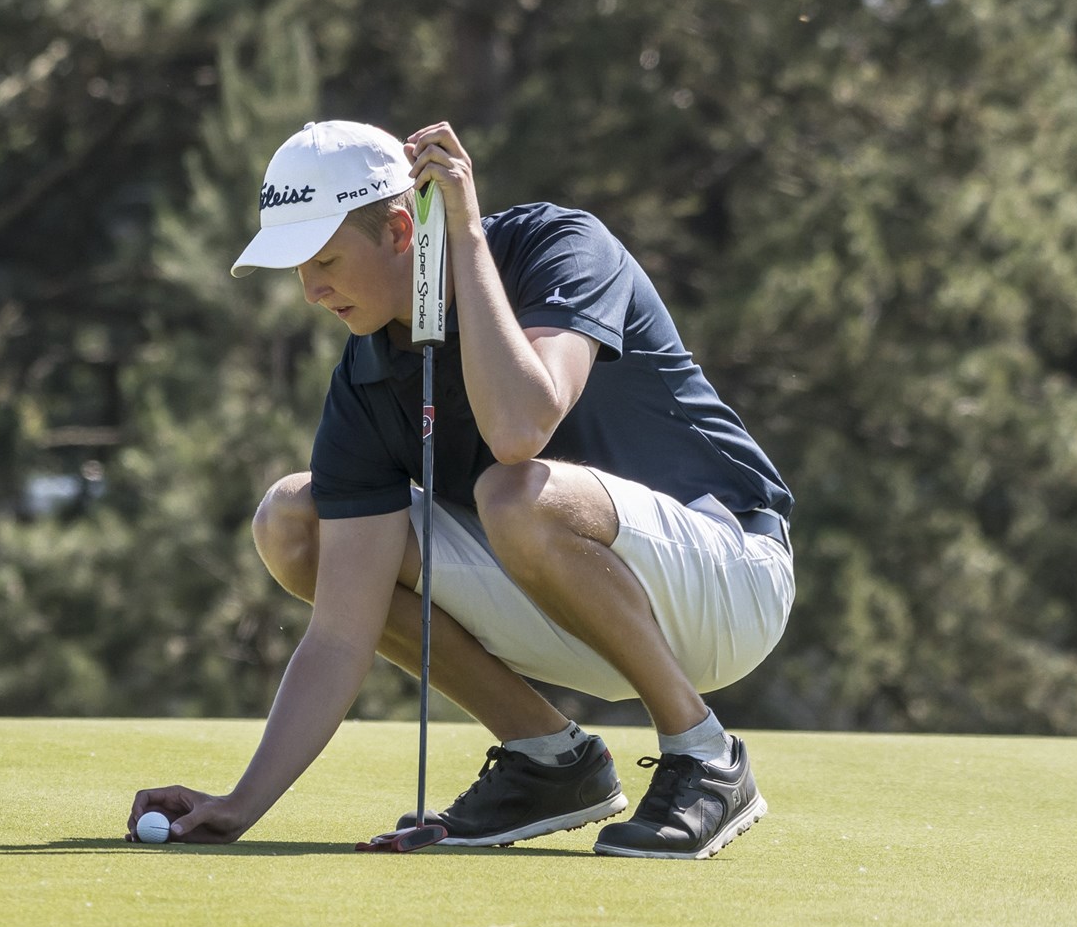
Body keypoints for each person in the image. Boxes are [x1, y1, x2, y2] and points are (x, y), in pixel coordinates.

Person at [127, 119, 795, 858]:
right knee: (295, 521)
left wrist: (467, 236)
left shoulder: (559, 247)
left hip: (731, 575)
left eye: (324, 258)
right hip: (571, 604)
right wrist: (239, 803)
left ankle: (706, 756)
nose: (312, 291)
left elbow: (519, 430)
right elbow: (342, 631)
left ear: (400, 229)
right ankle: (549, 760)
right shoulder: (365, 375)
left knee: (514, 494)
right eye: (298, 269)